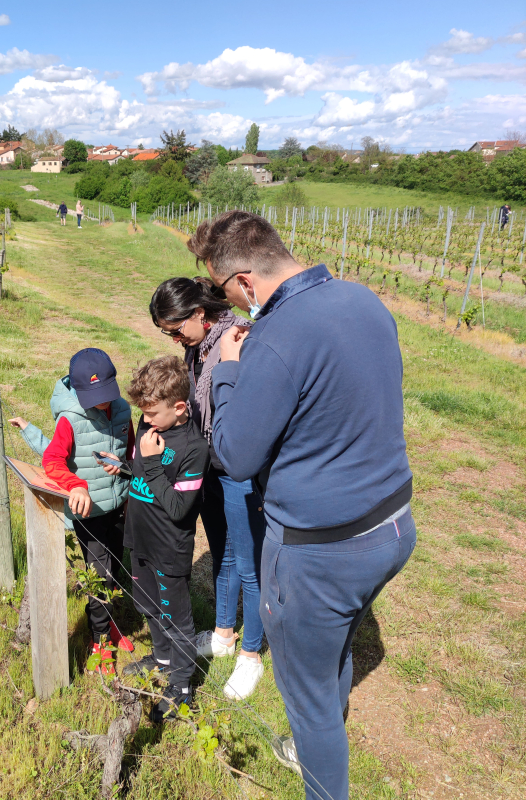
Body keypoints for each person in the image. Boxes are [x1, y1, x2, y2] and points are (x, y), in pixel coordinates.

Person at [188, 210, 416, 800]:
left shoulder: (273, 338)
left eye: (220, 291)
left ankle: (319, 763)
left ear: (243, 281)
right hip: (392, 525)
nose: (227, 305)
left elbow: (236, 453)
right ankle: (318, 741)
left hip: (321, 552)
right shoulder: (362, 300)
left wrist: (231, 372)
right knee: (333, 645)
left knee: (306, 699)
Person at [149, 277, 265, 699]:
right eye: (167, 333)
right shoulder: (197, 346)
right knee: (222, 554)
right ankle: (222, 634)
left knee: (250, 563)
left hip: (237, 468)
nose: (175, 338)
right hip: (210, 464)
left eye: (176, 329)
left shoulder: (238, 340)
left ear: (199, 313)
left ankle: (251, 656)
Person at [8, 348, 135, 672]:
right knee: (98, 575)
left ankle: (110, 624)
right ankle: (101, 641)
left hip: (120, 507)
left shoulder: (122, 411)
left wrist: (125, 467)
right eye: (95, 396)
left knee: (115, 569)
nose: (103, 403)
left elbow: (130, 451)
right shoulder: (70, 420)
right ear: (78, 391)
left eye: (107, 394)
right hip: (88, 514)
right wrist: (76, 485)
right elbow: (52, 460)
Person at [120, 356, 210, 722]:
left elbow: (178, 509)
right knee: (149, 608)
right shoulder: (148, 431)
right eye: (142, 412)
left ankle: (183, 686)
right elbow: (143, 474)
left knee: (176, 618)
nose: (145, 420)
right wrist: (126, 466)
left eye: (153, 413)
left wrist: (153, 463)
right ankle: (160, 658)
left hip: (168, 549)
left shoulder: (194, 450)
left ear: (179, 407)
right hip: (138, 539)